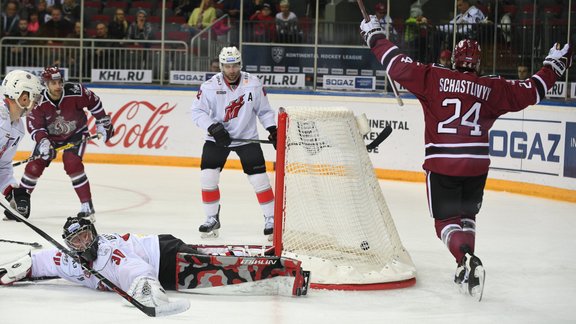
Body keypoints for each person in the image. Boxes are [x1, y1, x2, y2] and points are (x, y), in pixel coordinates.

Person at [360, 15, 572, 298]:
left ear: (454, 59)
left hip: (443, 163)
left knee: (445, 223)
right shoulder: (494, 88)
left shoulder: (434, 77)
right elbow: (533, 91)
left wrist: (374, 34)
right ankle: (465, 263)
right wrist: (553, 66)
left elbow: (396, 64)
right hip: (476, 166)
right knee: (467, 216)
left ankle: (465, 259)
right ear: (478, 63)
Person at [0, 216, 309, 306]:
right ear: (71, 245)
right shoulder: (68, 260)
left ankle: (279, 268)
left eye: (86, 235)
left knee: (219, 268)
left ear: (93, 233)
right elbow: (39, 262)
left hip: (166, 258)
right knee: (213, 264)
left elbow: (136, 270)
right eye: (76, 241)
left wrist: (147, 290)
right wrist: (11, 270)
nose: (84, 243)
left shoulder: (110, 254)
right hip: (161, 255)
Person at [189, 46, 277, 239]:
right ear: (221, 66)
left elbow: (264, 111)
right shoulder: (210, 86)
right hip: (216, 139)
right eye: (227, 66)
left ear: (240, 64)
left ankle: (271, 219)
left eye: (235, 65)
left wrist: (272, 129)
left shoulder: (253, 84)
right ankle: (212, 218)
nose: (231, 70)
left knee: (259, 179)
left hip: (247, 138)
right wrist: (213, 127)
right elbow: (197, 112)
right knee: (207, 178)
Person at [9, 66, 115, 222]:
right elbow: (35, 127)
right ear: (46, 84)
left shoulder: (76, 91)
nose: (58, 86)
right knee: (34, 166)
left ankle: (87, 207)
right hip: (49, 138)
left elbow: (94, 102)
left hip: (76, 134)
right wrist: (44, 142)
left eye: (60, 82)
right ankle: (19, 206)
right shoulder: (38, 100)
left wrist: (102, 121)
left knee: (72, 164)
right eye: (53, 83)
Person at [0, 71, 43, 221]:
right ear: (24, 98)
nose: (36, 103)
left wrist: (11, 191)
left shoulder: (17, 127)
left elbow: (2, 166)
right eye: (35, 98)